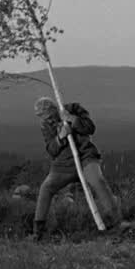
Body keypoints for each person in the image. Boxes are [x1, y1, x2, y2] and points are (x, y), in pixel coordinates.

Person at [32, 96, 119, 240]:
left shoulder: (74, 109)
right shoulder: (45, 124)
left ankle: (116, 223)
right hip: (63, 164)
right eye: (43, 118)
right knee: (46, 188)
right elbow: (51, 149)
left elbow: (90, 128)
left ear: (54, 109)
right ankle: (38, 232)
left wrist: (72, 119)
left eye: (49, 116)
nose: (49, 120)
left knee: (97, 181)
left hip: (86, 157)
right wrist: (60, 138)